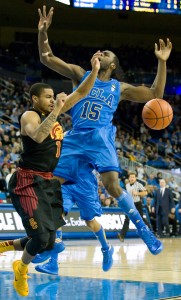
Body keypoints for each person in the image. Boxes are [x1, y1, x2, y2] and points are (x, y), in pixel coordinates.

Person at [37, 6, 172, 256]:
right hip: (76, 137)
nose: (101, 52)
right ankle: (54, 244)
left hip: (100, 137)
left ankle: (145, 232)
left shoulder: (119, 88)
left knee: (112, 186)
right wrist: (43, 33)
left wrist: (161, 63)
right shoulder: (81, 74)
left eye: (106, 52)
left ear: (112, 64)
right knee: (51, 185)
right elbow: (47, 57)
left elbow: (155, 95)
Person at [3, 56, 100, 297]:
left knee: (48, 242)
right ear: (35, 99)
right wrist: (57, 108)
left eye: (52, 97)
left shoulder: (53, 112)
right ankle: (20, 269)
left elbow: (81, 94)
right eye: (47, 97)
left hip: (47, 181)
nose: (52, 99)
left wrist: (95, 71)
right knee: (41, 237)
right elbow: (36, 136)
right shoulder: (29, 116)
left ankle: (5, 246)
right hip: (27, 181)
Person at [33, 163, 113, 275]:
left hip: (85, 183)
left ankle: (106, 248)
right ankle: (53, 263)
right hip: (65, 179)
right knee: (57, 214)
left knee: (90, 222)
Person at [117, 172, 148, 242]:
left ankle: (150, 232)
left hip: (137, 203)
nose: (132, 178)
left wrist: (137, 193)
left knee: (141, 219)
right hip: (129, 204)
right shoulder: (127, 185)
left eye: (133, 177)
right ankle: (122, 235)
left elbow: (145, 192)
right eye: (131, 177)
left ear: (135, 178)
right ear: (129, 178)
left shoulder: (139, 185)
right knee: (127, 219)